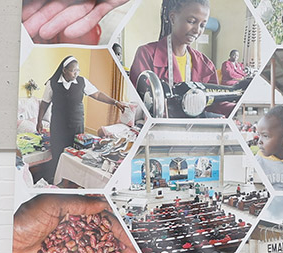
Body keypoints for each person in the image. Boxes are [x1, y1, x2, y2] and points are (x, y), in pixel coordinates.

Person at [129, 0, 230, 116]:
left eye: (202, 25)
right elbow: (139, 104)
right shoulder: (146, 55)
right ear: (172, 18)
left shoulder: (206, 65)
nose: (197, 30)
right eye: (191, 21)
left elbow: (216, 106)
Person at [35, 56, 126, 185]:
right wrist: (39, 121)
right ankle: (56, 182)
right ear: (64, 71)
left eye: (78, 70)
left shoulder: (82, 82)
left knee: (75, 155)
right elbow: (45, 103)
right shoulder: (53, 83)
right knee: (58, 152)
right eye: (73, 71)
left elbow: (97, 94)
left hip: (76, 125)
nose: (76, 73)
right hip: (58, 125)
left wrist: (115, 102)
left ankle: (72, 182)